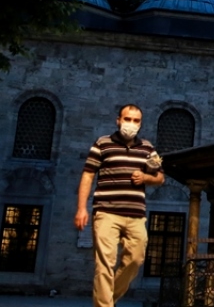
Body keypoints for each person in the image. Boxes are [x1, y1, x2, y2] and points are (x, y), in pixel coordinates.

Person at [75, 104, 164, 307]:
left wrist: (145, 178)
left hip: (136, 214)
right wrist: (82, 208)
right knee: (105, 263)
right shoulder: (102, 144)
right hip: (107, 211)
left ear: (140, 124)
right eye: (127, 119)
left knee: (137, 258)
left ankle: (108, 299)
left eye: (136, 121)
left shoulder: (147, 148)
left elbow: (160, 177)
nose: (131, 124)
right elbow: (88, 175)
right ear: (118, 120)